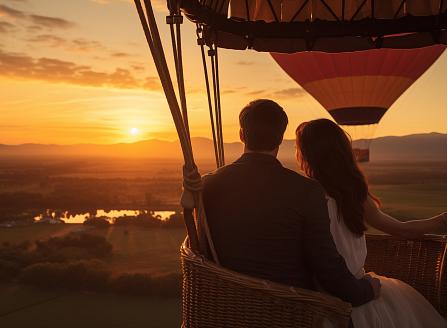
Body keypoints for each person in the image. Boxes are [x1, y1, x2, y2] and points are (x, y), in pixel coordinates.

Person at [202, 99, 380, 310]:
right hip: (289, 311)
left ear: (241, 135)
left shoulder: (208, 184)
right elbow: (327, 268)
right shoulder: (307, 191)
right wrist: (366, 290)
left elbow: (200, 248)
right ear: (280, 138)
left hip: (224, 308)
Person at [295, 118, 447, 328]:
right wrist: (440, 220)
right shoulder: (353, 194)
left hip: (315, 298)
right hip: (358, 291)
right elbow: (401, 229)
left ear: (306, 154)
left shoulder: (300, 195)